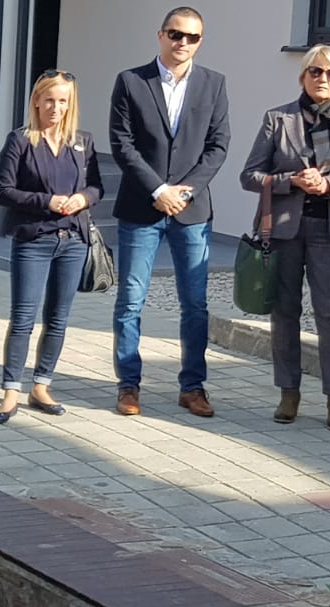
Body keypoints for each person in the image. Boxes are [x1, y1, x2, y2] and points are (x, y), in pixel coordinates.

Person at [240, 45, 330, 433]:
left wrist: (329, 184)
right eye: (315, 71)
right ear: (303, 75)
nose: (323, 79)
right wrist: (292, 181)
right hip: (285, 229)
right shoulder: (278, 118)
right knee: (285, 310)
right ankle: (289, 392)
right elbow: (250, 175)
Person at [109, 6, 229, 418]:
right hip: (141, 207)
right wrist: (159, 190)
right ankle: (128, 385)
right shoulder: (131, 81)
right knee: (130, 301)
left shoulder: (214, 83)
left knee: (194, 304)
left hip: (192, 211)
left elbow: (218, 145)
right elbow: (122, 143)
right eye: (176, 34)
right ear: (161, 35)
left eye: (192, 37)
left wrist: (185, 190)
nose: (183, 42)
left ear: (200, 41)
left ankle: (192, 387)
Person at [0, 70, 104, 423]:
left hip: (73, 241)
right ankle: (11, 391)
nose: (56, 108)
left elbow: (96, 187)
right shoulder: (20, 140)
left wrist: (83, 199)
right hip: (34, 240)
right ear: (37, 101)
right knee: (23, 318)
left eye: (63, 101)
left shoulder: (82, 142)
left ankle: (41, 385)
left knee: (58, 318)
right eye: (50, 100)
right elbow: (2, 191)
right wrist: (48, 201)